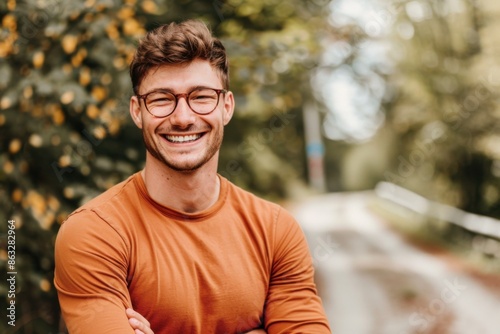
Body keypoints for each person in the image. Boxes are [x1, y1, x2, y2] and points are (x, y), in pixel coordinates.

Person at [54, 19, 331, 334]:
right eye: (161, 99)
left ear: (226, 107)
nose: (183, 118)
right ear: (137, 111)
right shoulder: (94, 233)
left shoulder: (275, 231)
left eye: (201, 97)